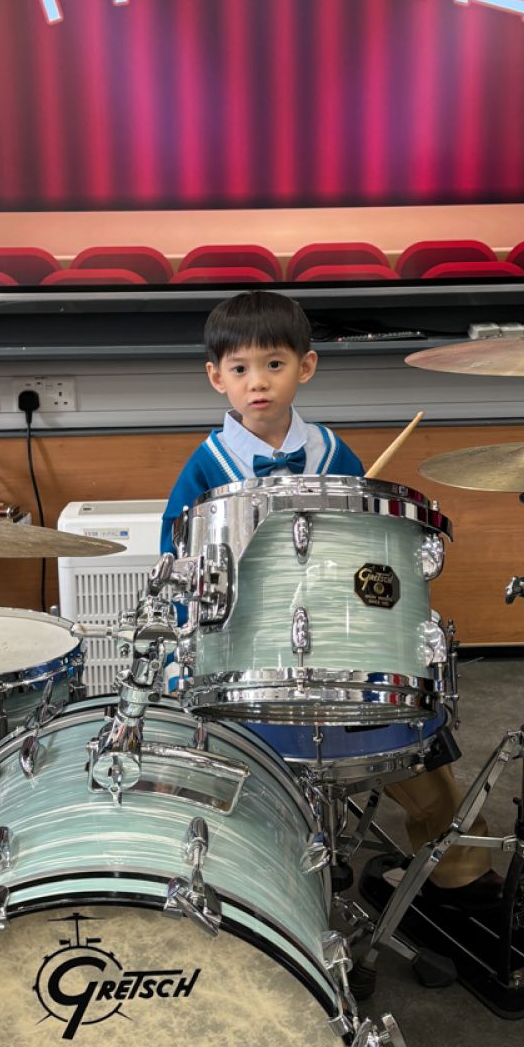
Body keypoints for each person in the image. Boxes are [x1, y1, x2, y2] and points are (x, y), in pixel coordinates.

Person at [160, 290, 493, 904]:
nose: (258, 382)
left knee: (420, 749)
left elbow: (369, 551)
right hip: (248, 656)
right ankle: (263, 895)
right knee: (232, 790)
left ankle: (459, 882)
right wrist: (189, 639)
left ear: (306, 366)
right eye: (240, 369)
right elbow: (179, 564)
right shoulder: (206, 467)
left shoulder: (334, 454)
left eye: (274, 364)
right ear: (216, 378)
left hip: (344, 646)